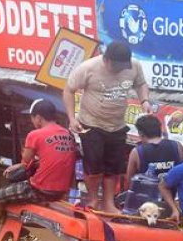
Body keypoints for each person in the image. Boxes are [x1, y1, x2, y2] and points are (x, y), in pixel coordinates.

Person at [63, 41, 152, 214]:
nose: (121, 70)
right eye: (118, 66)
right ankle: (93, 199)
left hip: (117, 125)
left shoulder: (134, 66)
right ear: (107, 60)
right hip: (91, 124)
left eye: (124, 66)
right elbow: (68, 90)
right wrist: (71, 118)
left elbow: (141, 84)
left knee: (113, 167)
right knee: (93, 165)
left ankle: (109, 203)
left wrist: (145, 100)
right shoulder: (88, 68)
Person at [0, 99, 77, 241]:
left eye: (32, 118)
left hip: (39, 190)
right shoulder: (68, 135)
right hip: (62, 191)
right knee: (10, 200)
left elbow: (26, 161)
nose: (32, 122)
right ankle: (19, 237)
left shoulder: (34, 135)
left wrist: (21, 162)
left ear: (38, 118)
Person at [126, 115, 183, 181]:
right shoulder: (177, 145)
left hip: (146, 190)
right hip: (173, 190)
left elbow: (130, 180)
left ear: (140, 133)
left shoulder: (136, 152)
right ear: (159, 130)